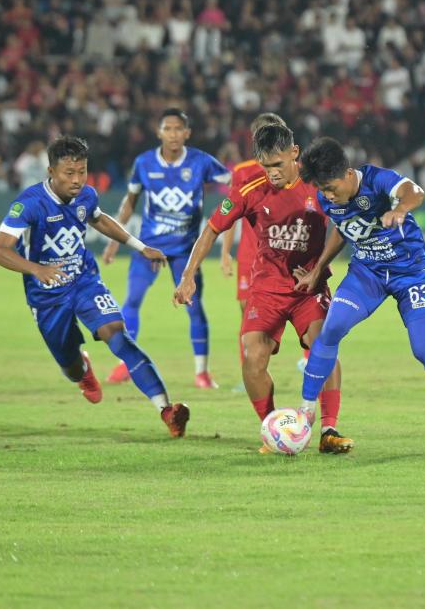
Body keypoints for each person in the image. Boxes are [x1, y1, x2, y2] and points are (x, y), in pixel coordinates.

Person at [0, 135, 189, 437]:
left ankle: (167, 409)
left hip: (84, 281)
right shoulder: (28, 204)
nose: (77, 179)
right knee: (70, 366)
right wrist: (36, 269)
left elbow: (98, 219)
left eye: (82, 171)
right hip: (47, 297)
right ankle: (82, 371)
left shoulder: (87, 195)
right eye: (69, 173)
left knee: (118, 337)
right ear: (51, 172)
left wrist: (140, 246)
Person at [174, 124, 354, 454]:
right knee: (253, 358)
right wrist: (188, 275)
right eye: (265, 165)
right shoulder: (249, 190)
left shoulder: (318, 186)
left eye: (278, 164)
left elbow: (343, 228)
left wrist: (317, 270)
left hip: (309, 289)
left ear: (294, 154)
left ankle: (329, 429)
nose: (271, 173)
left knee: (322, 345)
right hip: (267, 289)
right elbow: (212, 229)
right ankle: (274, 429)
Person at [293, 137, 425, 438]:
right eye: (322, 190)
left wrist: (400, 209)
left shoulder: (378, 180)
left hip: (410, 273)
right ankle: (305, 412)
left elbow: (414, 191)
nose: (327, 195)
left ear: (346, 172)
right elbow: (342, 231)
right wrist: (317, 270)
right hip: (367, 272)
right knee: (330, 330)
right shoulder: (329, 197)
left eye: (330, 187)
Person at [101, 108, 230, 388]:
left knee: (194, 308)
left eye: (178, 129)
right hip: (149, 248)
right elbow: (130, 202)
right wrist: (114, 241)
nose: (173, 134)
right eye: (167, 129)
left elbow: (234, 182)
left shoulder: (201, 162)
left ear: (187, 133)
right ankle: (126, 364)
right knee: (131, 302)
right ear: (159, 132)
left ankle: (202, 372)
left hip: (186, 250)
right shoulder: (144, 163)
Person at [218, 113, 309, 389]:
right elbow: (230, 213)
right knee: (248, 316)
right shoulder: (244, 171)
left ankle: (309, 360)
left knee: (305, 308)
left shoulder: (298, 170)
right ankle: (249, 373)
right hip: (251, 255)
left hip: (289, 252)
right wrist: (225, 252)